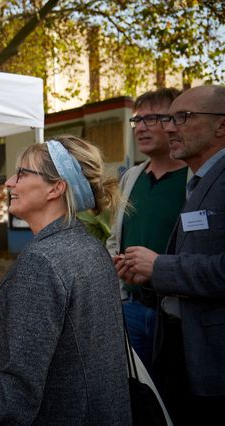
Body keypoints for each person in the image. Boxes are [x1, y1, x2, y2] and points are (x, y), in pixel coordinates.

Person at [0, 136, 131, 425]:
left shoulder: (43, 261)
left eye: (22, 173)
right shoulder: (90, 247)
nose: (10, 182)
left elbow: (21, 378)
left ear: (56, 188)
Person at [120, 84, 225, 425]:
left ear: (220, 126)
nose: (167, 127)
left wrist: (159, 268)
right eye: (140, 119)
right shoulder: (199, 180)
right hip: (155, 317)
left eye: (180, 117)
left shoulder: (204, 178)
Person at [106, 87, 187, 373]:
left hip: (177, 315)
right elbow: (115, 238)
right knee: (138, 397)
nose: (140, 127)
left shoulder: (194, 178)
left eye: (152, 119)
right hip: (131, 308)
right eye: (137, 120)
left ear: (176, 122)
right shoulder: (131, 177)